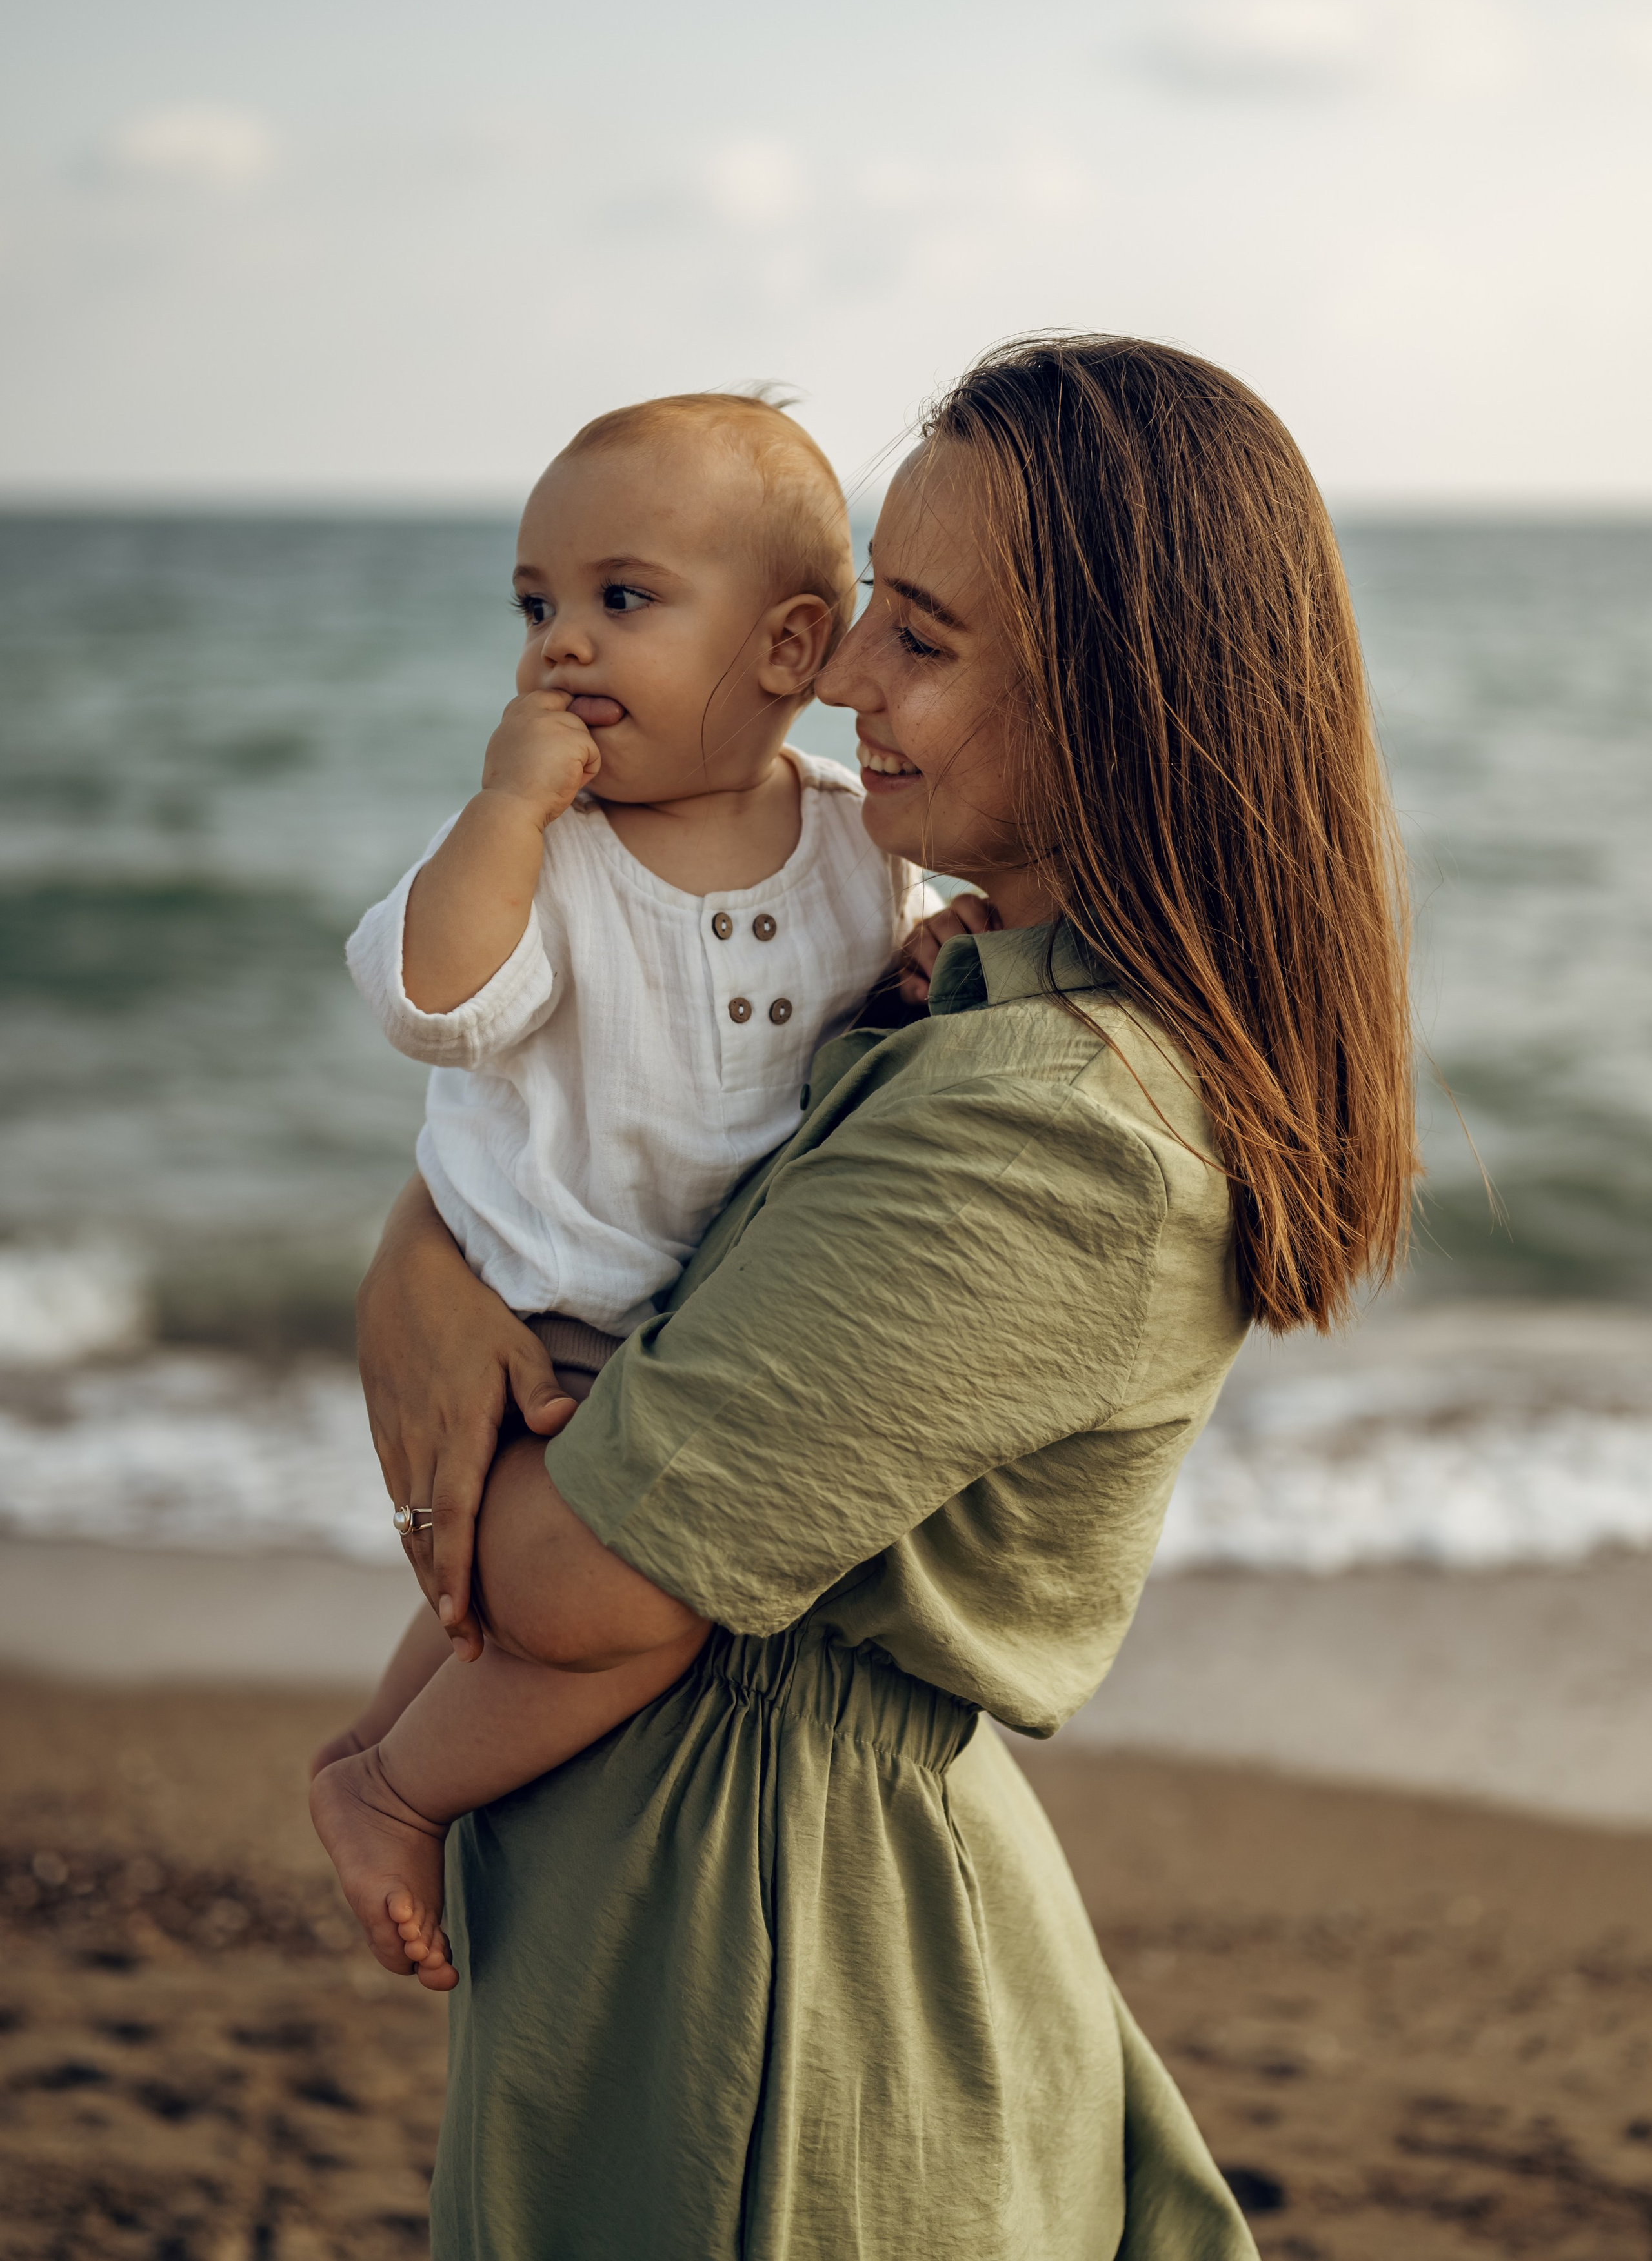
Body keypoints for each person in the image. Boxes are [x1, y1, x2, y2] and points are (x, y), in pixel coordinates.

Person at [352, 336, 1416, 2260]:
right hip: (708, 1902)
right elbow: (618, 1171)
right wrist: (427, 1264)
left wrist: (412, 1312)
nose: (838, 679)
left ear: (1115, 699)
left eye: (913, 636)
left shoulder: (1061, 1125)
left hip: (768, 1956)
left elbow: (587, 1582)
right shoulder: (955, 998)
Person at [312, 392, 939, 1987]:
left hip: (701, 1334)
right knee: (616, 1614)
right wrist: (505, 813)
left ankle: (369, 1761)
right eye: (534, 606)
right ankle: (392, 1783)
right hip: (553, 1323)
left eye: (622, 599)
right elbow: (429, 1004)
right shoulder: (551, 857)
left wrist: (937, 960)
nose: (559, 649)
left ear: (793, 647)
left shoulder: (860, 846)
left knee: (502, 1602)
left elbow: (894, 996)